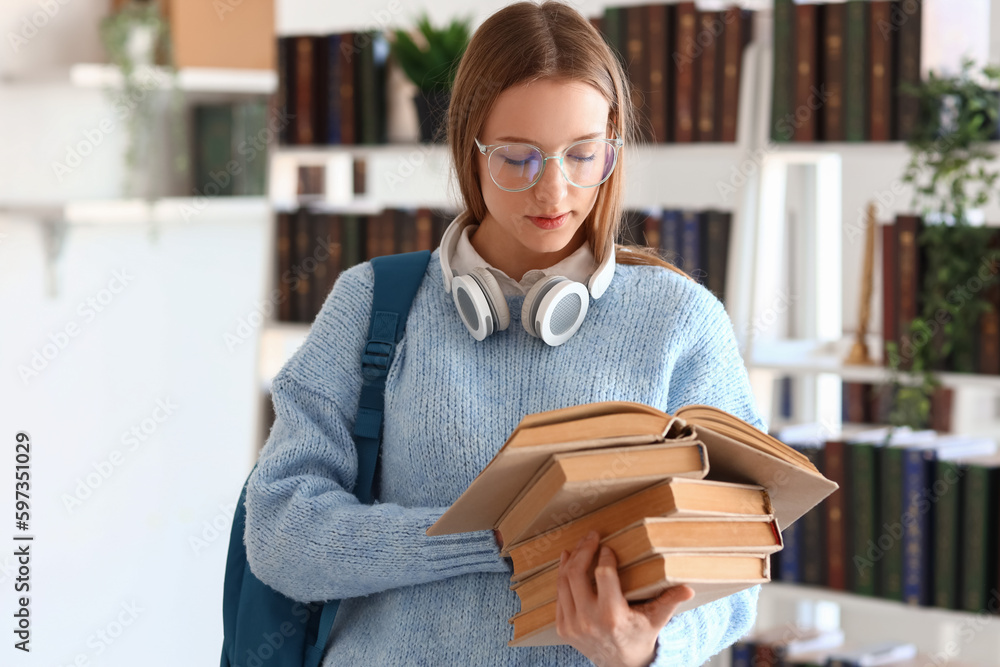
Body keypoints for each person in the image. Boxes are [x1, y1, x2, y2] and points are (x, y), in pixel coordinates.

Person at [244, 2, 766, 665]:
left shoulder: (680, 321)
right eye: (519, 158)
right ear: (472, 149)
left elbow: (736, 570)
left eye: (584, 155)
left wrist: (648, 645)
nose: (554, 190)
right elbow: (280, 530)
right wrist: (498, 536)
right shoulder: (373, 303)